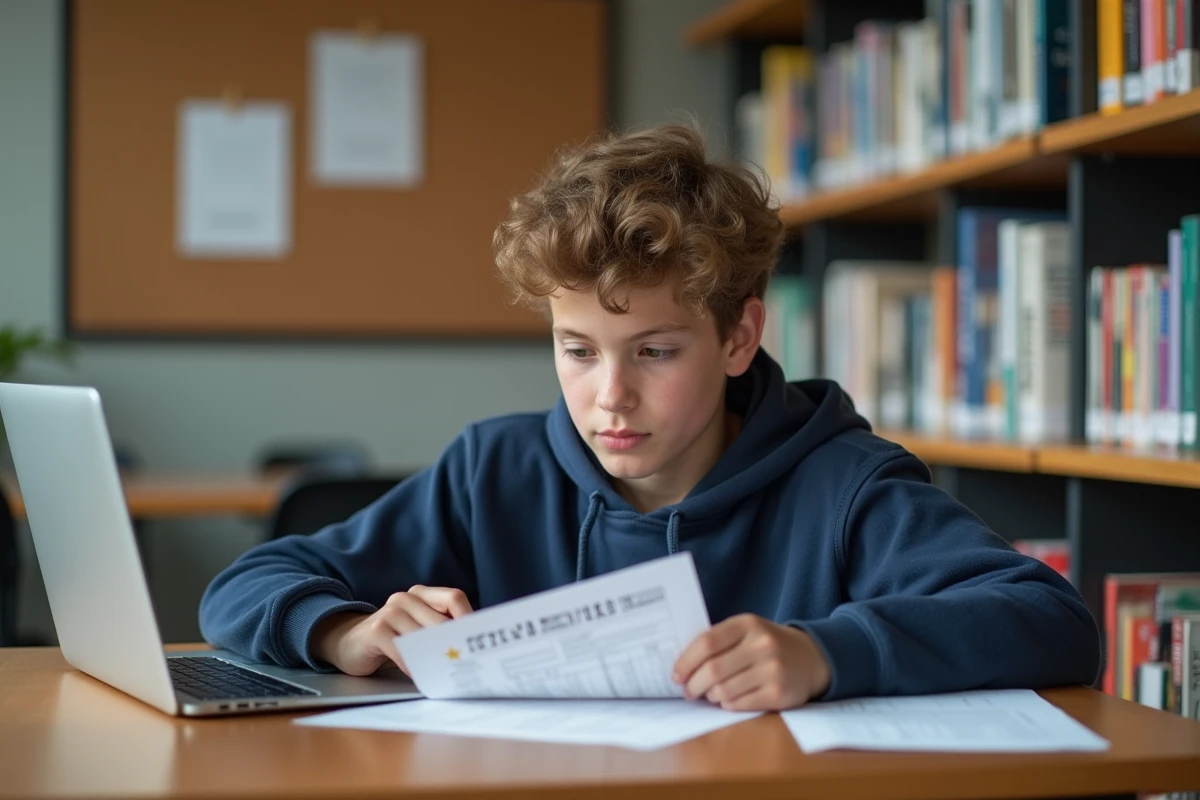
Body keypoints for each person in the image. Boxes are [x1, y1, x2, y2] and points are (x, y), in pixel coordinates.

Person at [200, 124, 1101, 711]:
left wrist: (829, 654)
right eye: (578, 350)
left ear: (740, 337)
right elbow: (240, 587)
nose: (609, 396)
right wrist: (341, 630)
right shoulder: (494, 471)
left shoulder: (845, 485)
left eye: (655, 353)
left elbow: (1051, 620)